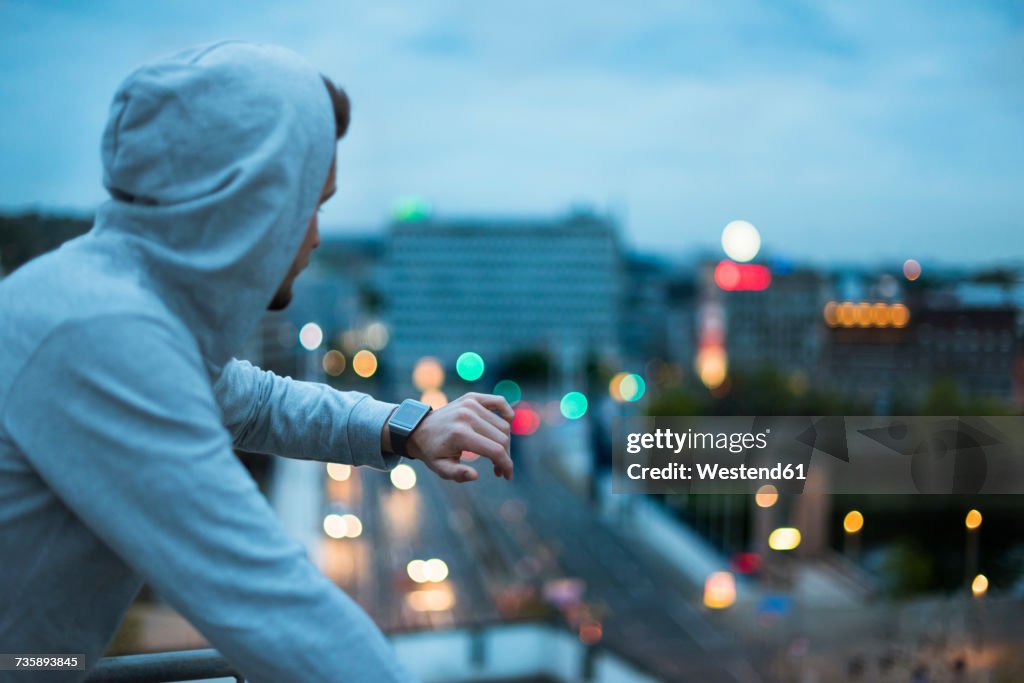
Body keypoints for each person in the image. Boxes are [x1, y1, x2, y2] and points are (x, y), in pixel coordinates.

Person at [0, 41, 514, 682]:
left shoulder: (114, 304)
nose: (317, 235)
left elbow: (261, 402)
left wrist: (412, 426)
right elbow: (276, 609)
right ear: (254, 202)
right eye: (311, 203)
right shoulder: (97, 336)